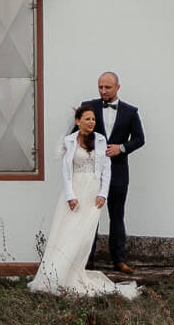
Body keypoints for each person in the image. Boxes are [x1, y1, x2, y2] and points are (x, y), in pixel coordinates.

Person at [27, 105, 138, 298]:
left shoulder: (101, 140)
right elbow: (65, 171)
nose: (92, 122)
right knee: (68, 231)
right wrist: (70, 196)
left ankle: (76, 270)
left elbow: (106, 169)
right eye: (87, 119)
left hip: (93, 193)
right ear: (78, 121)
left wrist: (103, 193)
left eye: (93, 119)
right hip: (75, 192)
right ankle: (57, 275)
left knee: (85, 234)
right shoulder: (69, 141)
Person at [79, 71, 145, 273]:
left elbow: (139, 139)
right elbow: (75, 133)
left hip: (118, 171)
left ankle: (119, 260)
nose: (103, 91)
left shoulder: (130, 112)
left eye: (107, 87)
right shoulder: (88, 107)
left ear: (117, 87)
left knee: (117, 216)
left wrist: (121, 148)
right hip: (91, 172)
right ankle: (87, 259)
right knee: (91, 216)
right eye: (100, 87)